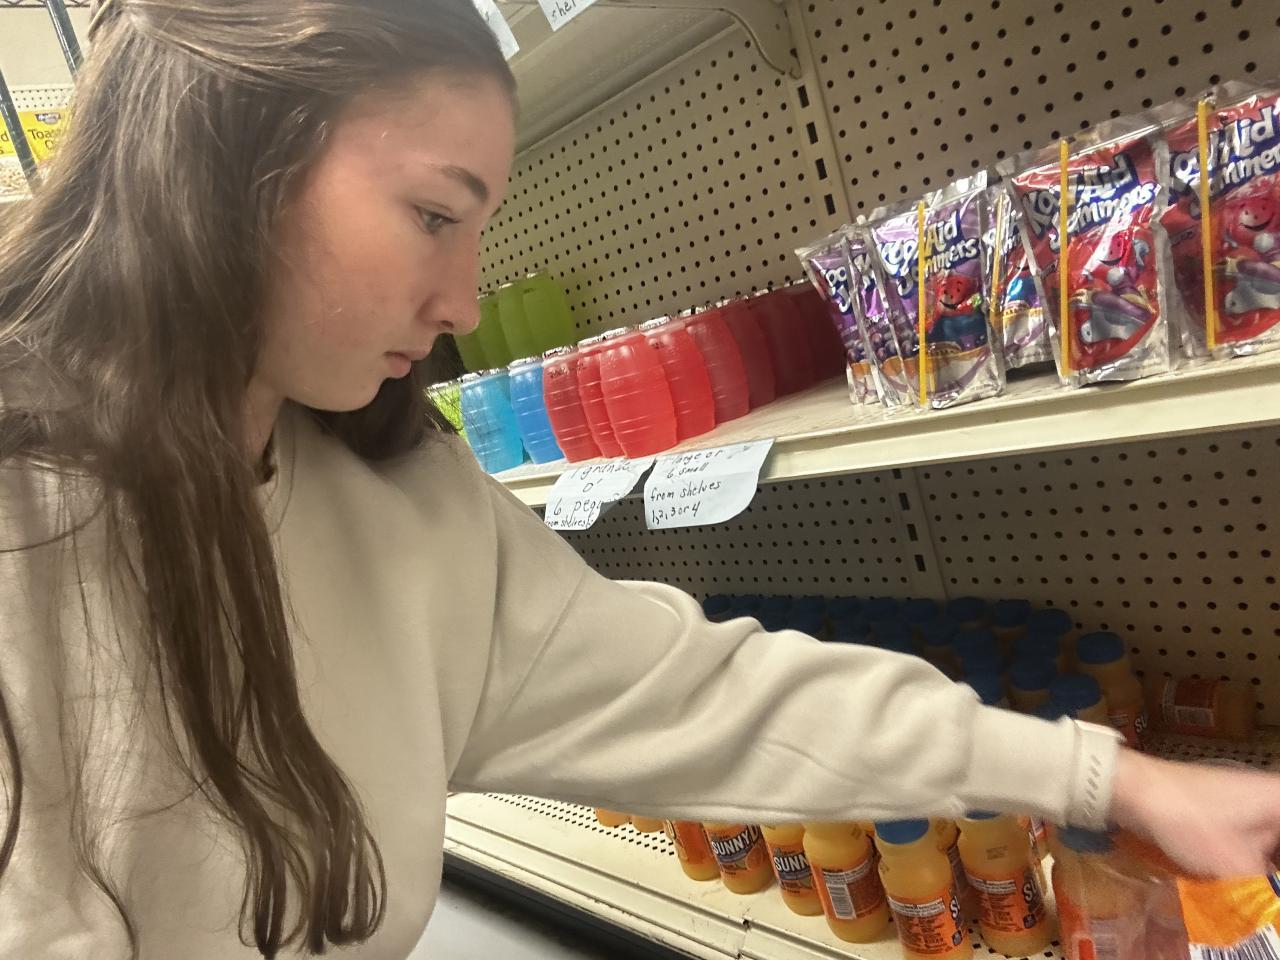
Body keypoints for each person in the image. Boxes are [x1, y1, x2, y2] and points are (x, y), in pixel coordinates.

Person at [0, 1, 1276, 958]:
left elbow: (702, 692)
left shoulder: (396, 498)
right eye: (435, 214)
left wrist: (1108, 776)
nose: (460, 305)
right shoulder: (29, 527)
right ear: (229, 153)